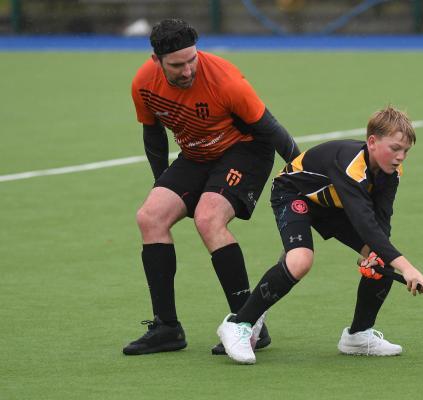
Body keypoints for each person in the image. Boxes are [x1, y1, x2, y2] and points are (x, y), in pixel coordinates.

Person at [122, 18, 300, 356]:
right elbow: (153, 135)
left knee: (208, 219)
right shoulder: (143, 85)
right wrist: (163, 184)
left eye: (192, 60)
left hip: (245, 148)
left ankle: (248, 325)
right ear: (156, 60)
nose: (188, 70)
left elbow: (273, 130)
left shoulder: (226, 81)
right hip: (197, 152)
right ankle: (166, 328)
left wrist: (304, 173)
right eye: (177, 65)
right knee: (150, 216)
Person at [216, 106, 423, 364]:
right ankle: (239, 323)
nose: (400, 157)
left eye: (406, 151)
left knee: (381, 259)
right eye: (395, 148)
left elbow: (380, 222)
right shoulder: (350, 165)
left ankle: (358, 335)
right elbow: (364, 223)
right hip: (294, 194)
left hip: (332, 204)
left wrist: (376, 257)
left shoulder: (391, 173)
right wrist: (408, 268)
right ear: (372, 142)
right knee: (300, 260)